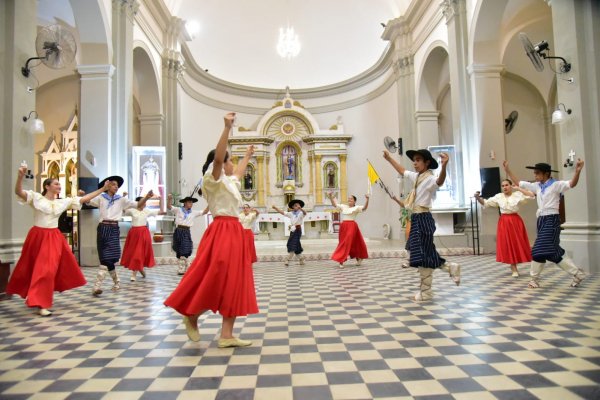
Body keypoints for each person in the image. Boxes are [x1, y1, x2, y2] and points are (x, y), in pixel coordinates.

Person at [165, 112, 258, 348]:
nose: (232, 164)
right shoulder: (212, 177)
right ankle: (192, 313)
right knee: (218, 277)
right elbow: (217, 160)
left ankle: (227, 335)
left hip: (235, 230)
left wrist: (248, 155)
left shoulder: (229, 180)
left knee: (235, 280)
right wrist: (227, 128)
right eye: (230, 160)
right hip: (222, 230)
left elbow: (238, 173)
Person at [8, 166, 109, 316]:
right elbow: (19, 192)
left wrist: (103, 189)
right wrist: (20, 177)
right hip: (37, 236)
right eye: (55, 184)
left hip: (53, 237)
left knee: (47, 270)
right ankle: (37, 298)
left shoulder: (63, 202)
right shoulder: (36, 198)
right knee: (35, 268)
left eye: (59, 184)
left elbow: (84, 199)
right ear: (47, 186)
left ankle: (41, 303)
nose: (59, 186)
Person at [383, 148, 461, 302]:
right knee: (422, 255)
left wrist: (444, 166)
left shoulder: (430, 178)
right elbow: (403, 170)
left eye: (418, 160)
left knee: (422, 255)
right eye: (414, 160)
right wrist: (389, 159)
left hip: (423, 218)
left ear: (427, 163)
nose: (415, 163)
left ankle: (428, 290)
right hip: (417, 218)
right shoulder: (417, 177)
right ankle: (445, 273)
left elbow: (440, 181)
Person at [504, 160, 586, 288]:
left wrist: (577, 172)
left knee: (538, 250)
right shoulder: (537, 186)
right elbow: (519, 183)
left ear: (546, 174)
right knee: (553, 252)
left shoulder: (556, 185)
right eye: (535, 173)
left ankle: (534, 279)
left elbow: (572, 184)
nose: (535, 175)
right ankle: (577, 273)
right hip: (541, 220)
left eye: (537, 173)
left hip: (552, 219)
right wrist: (508, 171)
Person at [87, 176, 141, 297]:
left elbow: (137, 204)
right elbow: (88, 200)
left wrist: (146, 198)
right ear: (107, 186)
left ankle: (100, 285)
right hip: (103, 228)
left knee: (109, 258)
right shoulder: (101, 198)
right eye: (113, 184)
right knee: (105, 258)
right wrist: (83, 194)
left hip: (114, 228)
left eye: (117, 185)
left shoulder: (121, 199)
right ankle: (105, 284)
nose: (116, 187)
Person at [474, 179, 534, 277]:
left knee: (516, 242)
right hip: (504, 222)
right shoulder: (499, 197)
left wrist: (518, 188)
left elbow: (531, 195)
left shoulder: (517, 195)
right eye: (503, 186)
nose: (505, 187)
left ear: (510, 186)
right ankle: (513, 267)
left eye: (506, 185)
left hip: (515, 221)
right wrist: (477, 197)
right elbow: (485, 203)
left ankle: (520, 263)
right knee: (508, 243)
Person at [121, 191, 164, 281]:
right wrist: (124, 197)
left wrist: (161, 200)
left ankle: (134, 273)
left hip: (144, 233)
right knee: (134, 253)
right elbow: (123, 209)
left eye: (145, 202)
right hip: (134, 233)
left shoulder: (147, 211)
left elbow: (161, 212)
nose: (144, 203)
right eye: (142, 201)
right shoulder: (132, 210)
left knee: (139, 253)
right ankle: (140, 270)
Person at [167, 194, 208, 275]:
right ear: (185, 203)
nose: (191, 204)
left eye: (192, 203)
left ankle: (187, 265)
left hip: (186, 231)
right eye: (189, 202)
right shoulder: (178, 210)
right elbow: (169, 207)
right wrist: (169, 199)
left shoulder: (193, 212)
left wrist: (210, 203)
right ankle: (181, 267)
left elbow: (204, 212)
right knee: (179, 249)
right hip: (178, 230)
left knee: (186, 248)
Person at [328, 192, 369, 268]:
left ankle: (341, 260)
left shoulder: (357, 208)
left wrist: (367, 199)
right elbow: (334, 205)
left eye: (351, 199)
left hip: (352, 226)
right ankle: (358, 258)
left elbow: (365, 208)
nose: (349, 199)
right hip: (344, 226)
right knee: (346, 242)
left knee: (347, 242)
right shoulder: (344, 206)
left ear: (354, 201)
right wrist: (330, 197)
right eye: (349, 198)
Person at [272, 200, 307, 266]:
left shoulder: (301, 213)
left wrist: (301, 209)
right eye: (295, 205)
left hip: (298, 230)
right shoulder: (291, 213)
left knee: (293, 244)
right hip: (293, 230)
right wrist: (275, 208)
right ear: (293, 207)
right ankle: (301, 259)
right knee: (296, 244)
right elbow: (282, 212)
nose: (297, 206)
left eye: (298, 205)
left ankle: (287, 259)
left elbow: (305, 213)